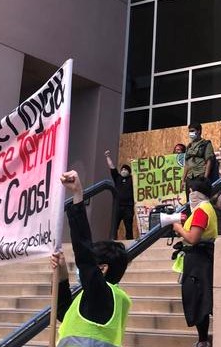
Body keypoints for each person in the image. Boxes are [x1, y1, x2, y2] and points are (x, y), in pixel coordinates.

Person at [52, 170, 132, 347]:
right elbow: (64, 313)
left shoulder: (102, 295)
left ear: (102, 268)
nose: (82, 269)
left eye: (92, 266)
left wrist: (78, 195)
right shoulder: (97, 298)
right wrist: (63, 274)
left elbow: (84, 252)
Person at [171, 178, 217, 347]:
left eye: (190, 191)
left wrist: (178, 228)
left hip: (198, 261)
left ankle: (203, 340)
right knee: (200, 299)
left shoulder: (201, 211)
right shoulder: (205, 209)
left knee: (198, 300)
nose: (189, 195)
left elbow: (193, 238)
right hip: (200, 260)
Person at [104, 149, 135, 240]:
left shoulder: (132, 179)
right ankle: (113, 242)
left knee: (128, 227)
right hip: (117, 207)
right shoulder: (117, 178)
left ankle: (130, 243)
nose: (124, 170)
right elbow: (112, 167)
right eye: (122, 169)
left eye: (126, 170)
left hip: (128, 207)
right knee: (114, 227)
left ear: (129, 172)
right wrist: (107, 157)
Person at [182, 123, 215, 193]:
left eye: (192, 131)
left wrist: (205, 178)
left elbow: (209, 161)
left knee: (199, 199)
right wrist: (183, 180)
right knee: (190, 201)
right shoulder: (189, 146)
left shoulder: (206, 144)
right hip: (190, 178)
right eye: (189, 131)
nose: (191, 133)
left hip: (200, 177)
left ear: (199, 131)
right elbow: (187, 164)